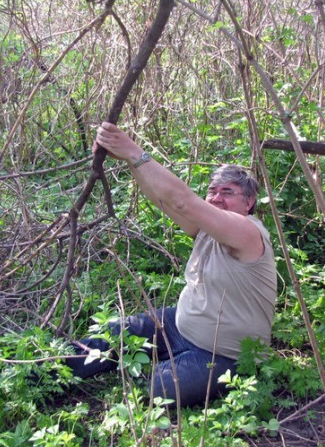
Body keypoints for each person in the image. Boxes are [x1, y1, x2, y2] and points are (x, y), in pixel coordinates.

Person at [66, 122, 277, 407]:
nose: (216, 198)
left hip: (223, 353)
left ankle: (163, 365)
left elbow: (182, 201)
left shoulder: (247, 232)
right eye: (212, 191)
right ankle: (42, 370)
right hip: (178, 324)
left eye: (227, 192)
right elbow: (163, 201)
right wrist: (131, 161)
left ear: (249, 202)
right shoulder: (207, 230)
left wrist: (133, 149)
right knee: (112, 334)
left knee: (159, 387)